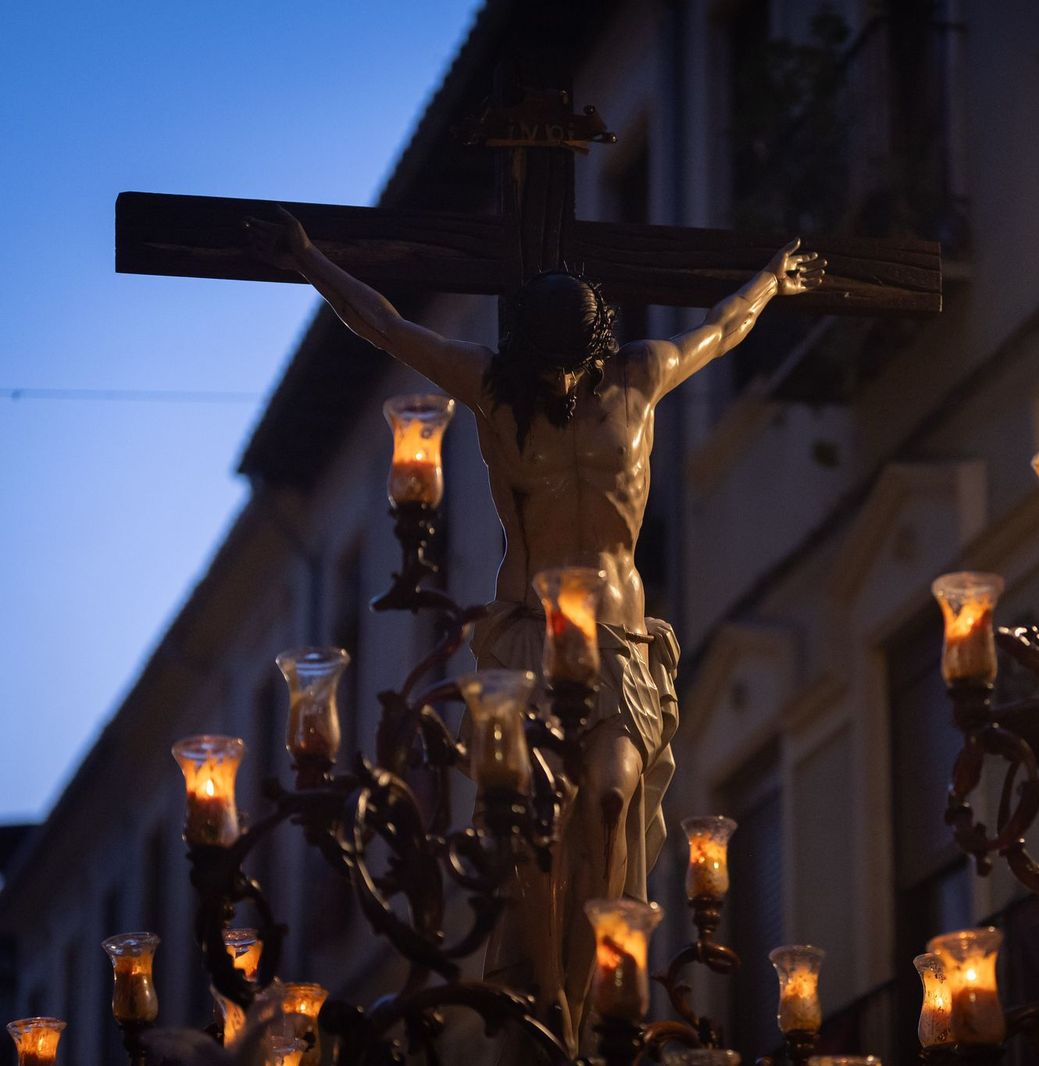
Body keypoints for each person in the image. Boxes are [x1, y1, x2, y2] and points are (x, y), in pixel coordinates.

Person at [245, 207, 825, 1049]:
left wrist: (772, 279)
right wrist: (308, 261)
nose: (555, 385)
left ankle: (596, 1003)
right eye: (541, 368)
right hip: (526, 632)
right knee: (536, 835)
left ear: (593, 352)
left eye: (567, 369)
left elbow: (725, 327)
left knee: (614, 792)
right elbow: (385, 324)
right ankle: (545, 1002)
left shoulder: (638, 376)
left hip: (619, 640)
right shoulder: (488, 386)